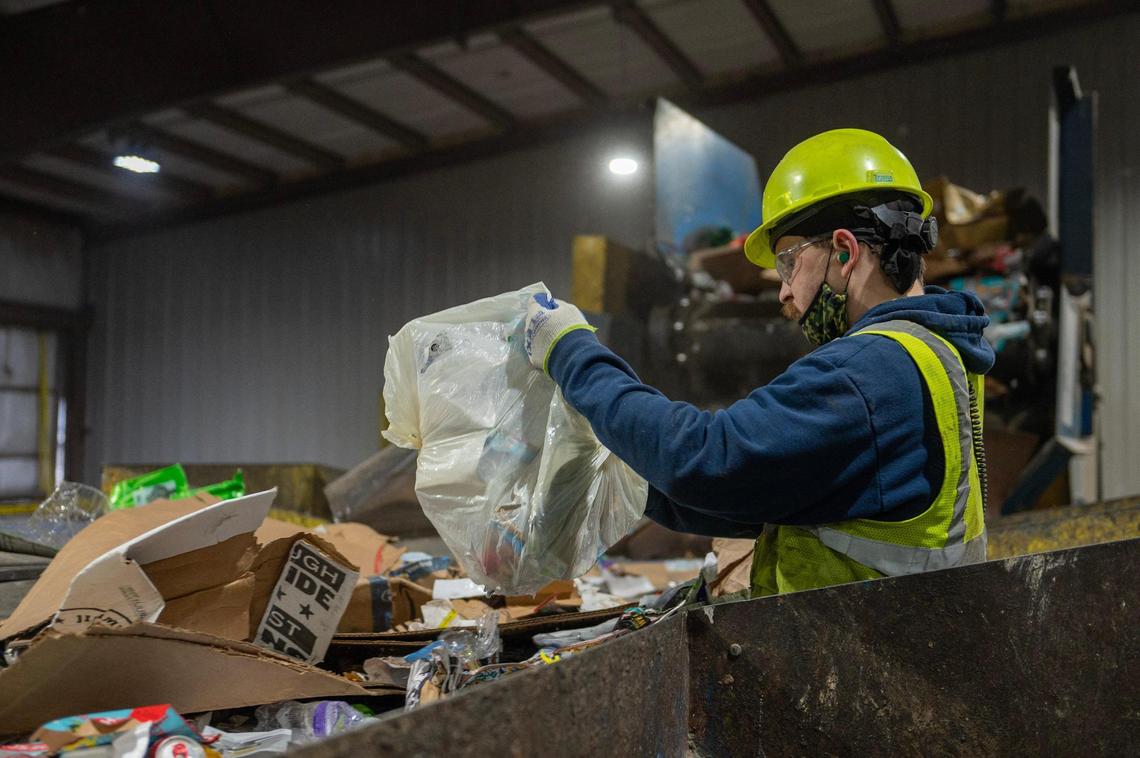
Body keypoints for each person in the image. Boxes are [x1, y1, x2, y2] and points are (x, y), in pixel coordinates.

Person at [523, 128, 994, 596]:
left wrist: (570, 351)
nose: (784, 290)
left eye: (789, 262)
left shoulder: (870, 369)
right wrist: (632, 482)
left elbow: (708, 459)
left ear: (846, 251)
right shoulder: (937, 353)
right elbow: (769, 494)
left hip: (854, 653)